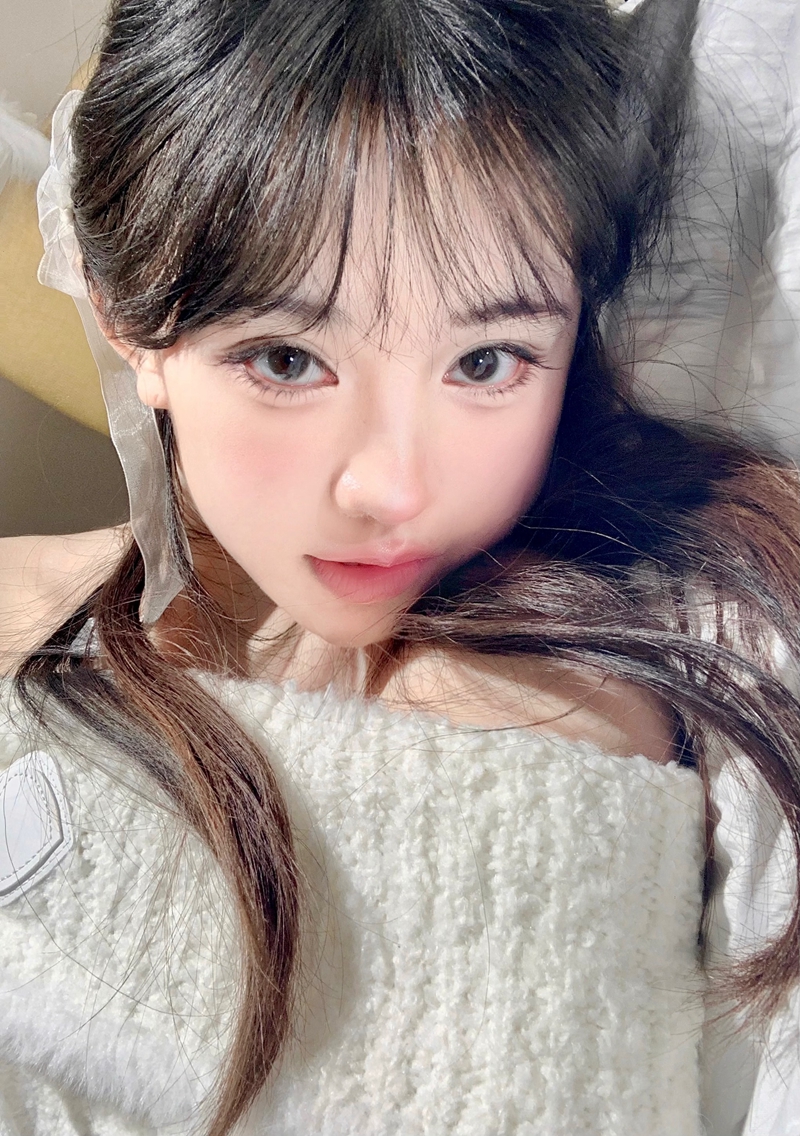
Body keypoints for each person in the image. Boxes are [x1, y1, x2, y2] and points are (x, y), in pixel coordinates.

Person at [1, 0, 800, 1132]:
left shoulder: (599, 677)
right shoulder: (34, 607)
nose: (394, 488)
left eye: (486, 360)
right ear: (129, 324)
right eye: (288, 360)